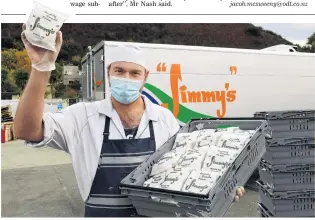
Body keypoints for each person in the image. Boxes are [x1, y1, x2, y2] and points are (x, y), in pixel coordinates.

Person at [14, 24, 245, 217]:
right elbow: (26, 130)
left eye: (134, 73)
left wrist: (224, 184)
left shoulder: (164, 120)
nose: (126, 78)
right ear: (109, 74)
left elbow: (194, 166)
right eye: (119, 71)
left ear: (145, 77)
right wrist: (42, 67)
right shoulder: (82, 117)